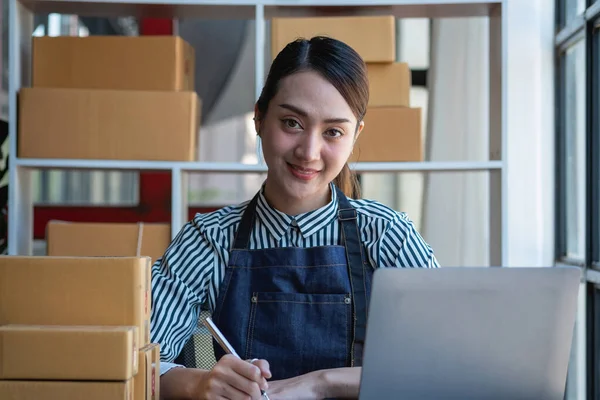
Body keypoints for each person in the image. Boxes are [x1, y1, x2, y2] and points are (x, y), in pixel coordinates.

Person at [151, 35, 440, 400]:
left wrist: (320, 383)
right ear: (259, 117)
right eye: (291, 123)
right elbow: (141, 362)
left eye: (333, 131)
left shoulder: (387, 235)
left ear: (355, 136)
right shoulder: (208, 240)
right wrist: (201, 383)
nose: (309, 151)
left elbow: (441, 360)